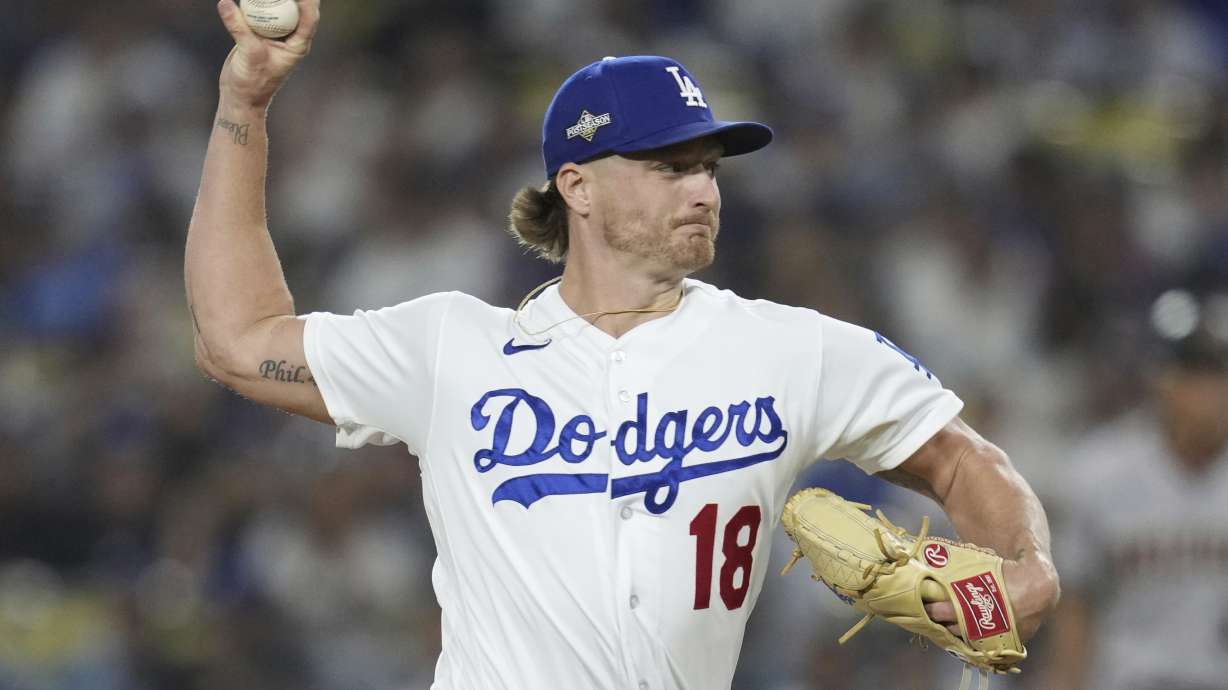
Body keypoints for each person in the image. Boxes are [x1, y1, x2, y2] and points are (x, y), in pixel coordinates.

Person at [185, 1, 1060, 688]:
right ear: (579, 187)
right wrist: (246, 101)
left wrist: (1025, 573)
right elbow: (237, 339)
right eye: (669, 166)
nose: (703, 189)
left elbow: (959, 459)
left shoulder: (791, 350)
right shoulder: (454, 346)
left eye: (710, 166)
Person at [1039, 285, 1228, 690]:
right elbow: (1075, 607)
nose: (1208, 390)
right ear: (1160, 378)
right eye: (1191, 370)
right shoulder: (1099, 472)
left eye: (1216, 372)